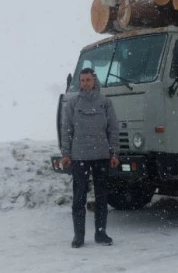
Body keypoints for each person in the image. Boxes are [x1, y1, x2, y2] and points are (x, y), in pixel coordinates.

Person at [60, 68, 120, 248]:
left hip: (101, 156)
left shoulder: (105, 102)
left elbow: (113, 129)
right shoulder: (72, 103)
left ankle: (101, 234)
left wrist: (114, 153)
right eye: (82, 80)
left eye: (88, 80)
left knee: (102, 197)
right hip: (79, 157)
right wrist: (66, 154)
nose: (85, 83)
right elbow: (67, 130)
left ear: (94, 81)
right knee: (79, 198)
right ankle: (79, 236)